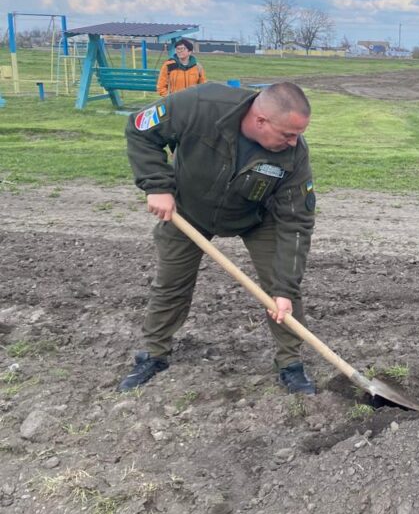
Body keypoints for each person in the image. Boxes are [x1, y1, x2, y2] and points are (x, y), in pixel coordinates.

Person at [118, 81, 318, 395]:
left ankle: (290, 362)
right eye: (288, 134)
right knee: (171, 282)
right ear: (260, 121)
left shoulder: (294, 157)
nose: (294, 143)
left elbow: (296, 222)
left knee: (284, 293)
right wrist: (157, 186)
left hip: (255, 217)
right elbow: (140, 129)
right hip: (187, 210)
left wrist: (284, 288)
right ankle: (154, 354)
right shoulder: (201, 105)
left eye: (298, 135)